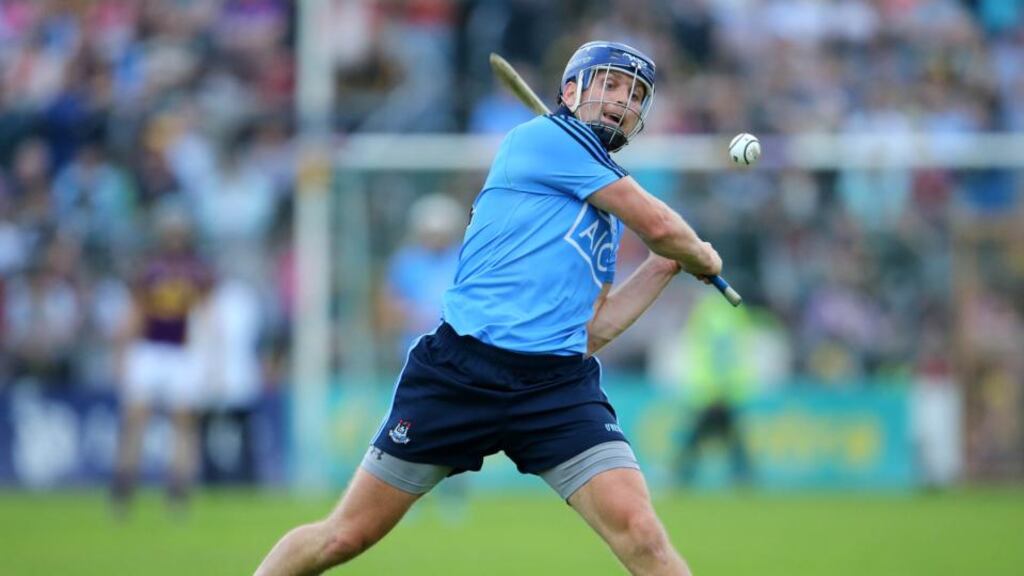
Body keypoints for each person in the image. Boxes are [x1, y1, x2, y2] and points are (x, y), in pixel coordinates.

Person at [255, 41, 722, 576]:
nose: (624, 100)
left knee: (641, 533)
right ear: (571, 92)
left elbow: (592, 330)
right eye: (611, 85)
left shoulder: (608, 216)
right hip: (461, 373)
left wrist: (665, 265)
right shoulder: (546, 138)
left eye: (636, 95)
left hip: (555, 387)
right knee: (344, 537)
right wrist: (699, 252)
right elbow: (660, 224)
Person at [111, 202, 213, 514]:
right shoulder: (149, 270)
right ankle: (124, 486)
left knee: (182, 421)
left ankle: (178, 489)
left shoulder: (197, 270)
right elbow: (136, 312)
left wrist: (208, 358)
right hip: (150, 349)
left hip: (181, 353)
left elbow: (205, 315)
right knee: (136, 418)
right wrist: (122, 352)